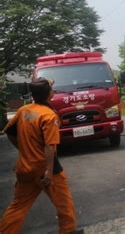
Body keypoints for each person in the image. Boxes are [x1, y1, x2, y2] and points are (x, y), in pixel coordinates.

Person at [0, 78, 79, 234]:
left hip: (25, 167)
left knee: (18, 206)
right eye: (51, 89)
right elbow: (50, 146)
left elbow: (9, 132)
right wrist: (48, 172)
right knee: (64, 205)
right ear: (49, 94)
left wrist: (24, 150)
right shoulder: (49, 116)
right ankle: (68, 231)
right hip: (45, 171)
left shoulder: (24, 110)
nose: (53, 90)